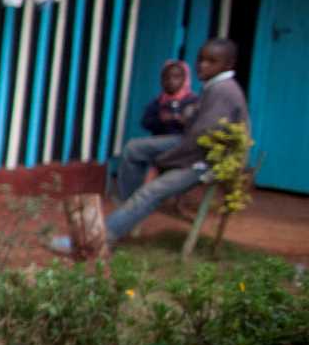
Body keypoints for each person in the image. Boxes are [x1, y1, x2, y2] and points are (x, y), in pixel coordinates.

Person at [54, 38, 250, 254]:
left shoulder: (224, 90)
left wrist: (165, 161)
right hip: (195, 148)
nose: (202, 65)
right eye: (201, 59)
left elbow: (201, 138)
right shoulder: (215, 85)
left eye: (211, 61)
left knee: (150, 192)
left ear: (228, 65)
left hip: (206, 162)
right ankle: (127, 214)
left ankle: (97, 240)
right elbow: (198, 130)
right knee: (134, 148)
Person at [139, 59, 199, 138]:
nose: (171, 81)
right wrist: (161, 119)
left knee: (133, 147)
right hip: (159, 141)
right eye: (166, 77)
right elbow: (145, 123)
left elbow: (200, 126)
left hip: (183, 141)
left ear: (185, 79)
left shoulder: (193, 101)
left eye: (176, 77)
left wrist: (183, 120)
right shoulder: (158, 101)